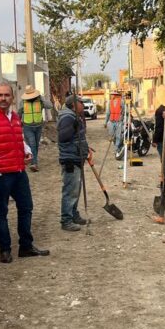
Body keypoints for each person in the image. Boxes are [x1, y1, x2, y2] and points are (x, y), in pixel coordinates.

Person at [0, 82, 49, 263]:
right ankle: (5, 250)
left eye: (6, 95)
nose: (3, 98)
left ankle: (26, 246)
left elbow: (18, 138)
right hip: (0, 174)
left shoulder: (15, 116)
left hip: (18, 171)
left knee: (26, 207)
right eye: (0, 95)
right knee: (1, 211)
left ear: (12, 98)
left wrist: (27, 150)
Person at [57, 95, 92, 231]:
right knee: (70, 191)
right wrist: (74, 126)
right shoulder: (68, 117)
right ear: (73, 104)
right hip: (70, 158)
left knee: (76, 189)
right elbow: (63, 137)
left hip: (77, 157)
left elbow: (79, 137)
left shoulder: (74, 116)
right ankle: (66, 220)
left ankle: (74, 215)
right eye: (80, 103)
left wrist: (86, 150)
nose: (83, 105)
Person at [18, 85, 53, 172]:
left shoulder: (40, 100)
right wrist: (18, 123)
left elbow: (49, 106)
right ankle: (34, 164)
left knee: (36, 145)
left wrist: (42, 98)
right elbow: (19, 112)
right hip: (27, 126)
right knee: (32, 144)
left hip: (38, 126)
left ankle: (33, 160)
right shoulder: (23, 102)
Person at [104, 90, 125, 155]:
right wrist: (105, 122)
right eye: (112, 94)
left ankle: (116, 149)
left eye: (113, 94)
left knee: (118, 135)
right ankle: (117, 146)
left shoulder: (121, 101)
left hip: (118, 121)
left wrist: (123, 119)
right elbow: (108, 112)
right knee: (112, 136)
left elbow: (124, 111)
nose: (112, 95)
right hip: (111, 121)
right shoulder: (110, 102)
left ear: (116, 95)